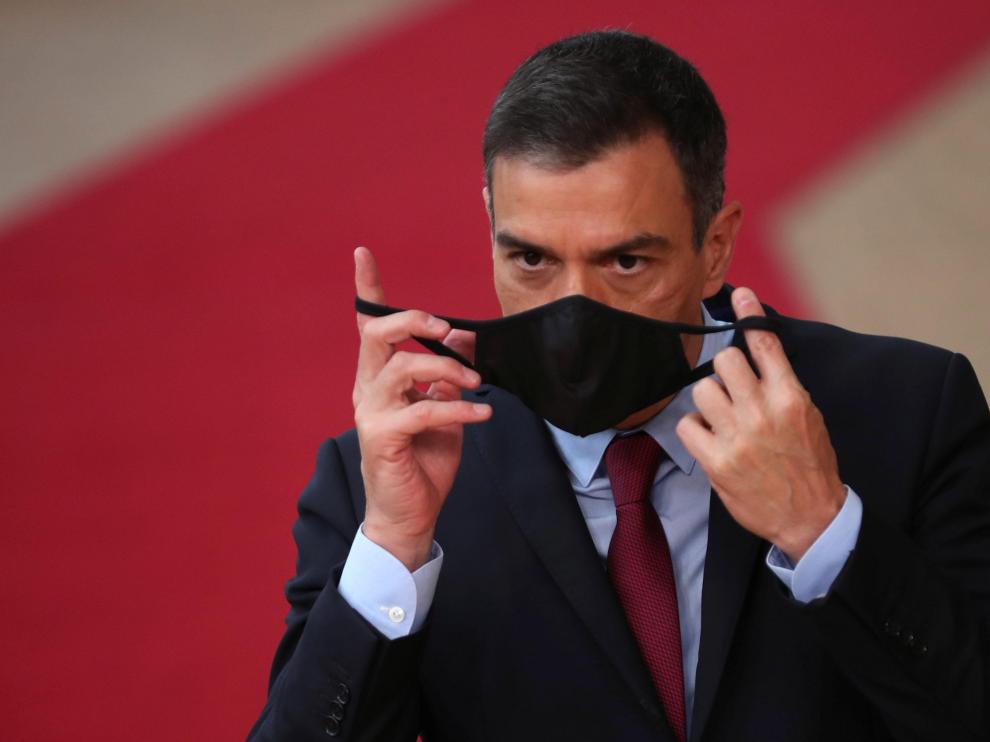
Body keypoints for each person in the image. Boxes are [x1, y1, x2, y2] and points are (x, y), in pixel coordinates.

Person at [247, 30, 990, 741]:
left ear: (715, 245)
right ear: (491, 227)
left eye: (626, 263)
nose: (575, 316)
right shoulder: (378, 484)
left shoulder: (911, 410)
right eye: (532, 260)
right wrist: (393, 549)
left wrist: (825, 531)